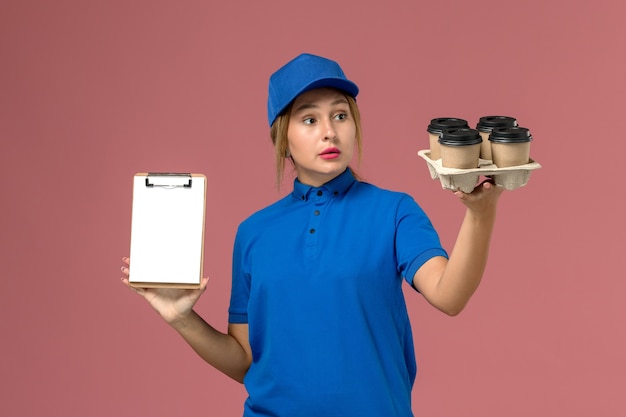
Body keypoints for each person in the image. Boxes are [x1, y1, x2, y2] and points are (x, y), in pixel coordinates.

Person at [121, 52, 504, 417]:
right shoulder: (253, 233)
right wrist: (180, 318)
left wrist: (480, 214)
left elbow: (450, 296)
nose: (329, 132)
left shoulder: (394, 211)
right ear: (281, 137)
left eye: (340, 115)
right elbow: (245, 361)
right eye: (309, 120)